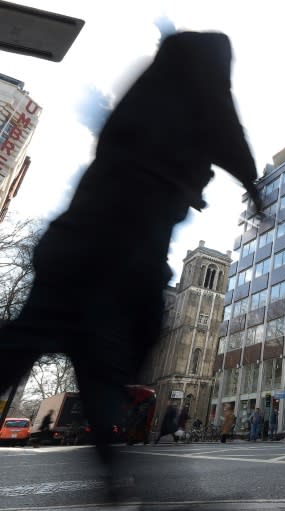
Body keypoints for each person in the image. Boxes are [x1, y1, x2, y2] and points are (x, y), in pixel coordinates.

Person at [0, 31, 261, 496]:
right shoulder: (198, 93)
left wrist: (188, 185)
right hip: (123, 247)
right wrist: (254, 188)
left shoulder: (152, 92)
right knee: (124, 338)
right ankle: (142, 484)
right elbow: (228, 135)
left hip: (79, 241)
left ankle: (120, 476)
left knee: (81, 352)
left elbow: (148, 149)